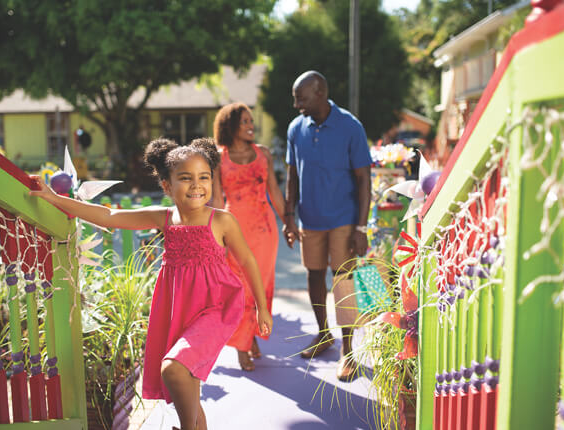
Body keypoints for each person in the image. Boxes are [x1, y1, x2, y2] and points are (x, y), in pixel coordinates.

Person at [29, 137, 273, 430]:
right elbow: (109, 216)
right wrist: (54, 198)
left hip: (214, 308)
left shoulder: (222, 220)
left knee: (174, 368)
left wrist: (262, 307)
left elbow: (247, 261)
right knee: (188, 381)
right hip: (178, 309)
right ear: (167, 186)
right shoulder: (164, 217)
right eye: (185, 178)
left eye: (204, 177)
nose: (196, 185)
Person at [283, 71, 372, 382]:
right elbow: (292, 176)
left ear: (320, 92)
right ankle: (324, 334)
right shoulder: (296, 128)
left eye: (302, 99)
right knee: (314, 275)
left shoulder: (351, 126)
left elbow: (364, 180)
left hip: (343, 220)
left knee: (343, 281)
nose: (297, 106)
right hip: (310, 219)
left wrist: (361, 229)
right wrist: (288, 216)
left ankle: (348, 351)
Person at [211, 102, 285, 372]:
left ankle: (250, 335)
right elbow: (218, 199)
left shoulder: (263, 154)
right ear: (230, 125)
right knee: (239, 288)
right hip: (234, 230)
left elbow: (274, 191)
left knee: (260, 287)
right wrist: (216, 237)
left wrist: (288, 222)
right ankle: (241, 345)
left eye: (251, 120)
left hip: (265, 230)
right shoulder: (219, 158)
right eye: (245, 121)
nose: (251, 125)